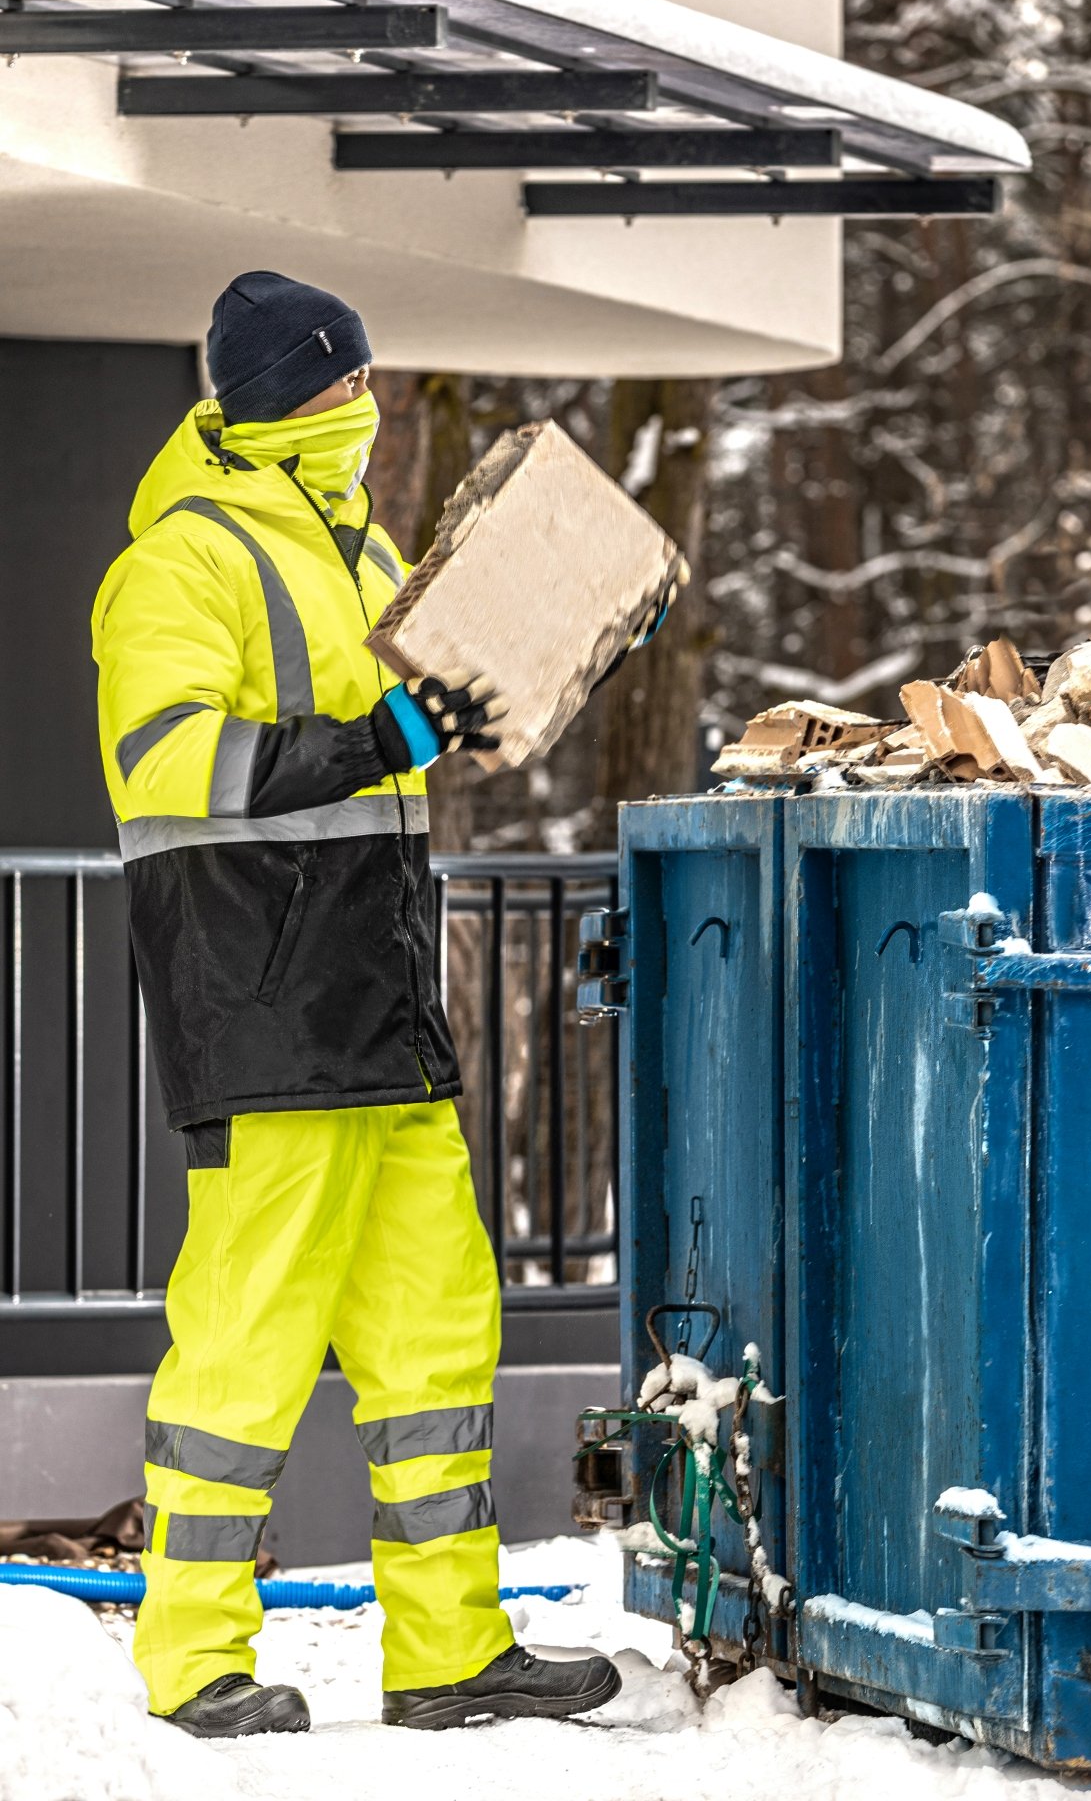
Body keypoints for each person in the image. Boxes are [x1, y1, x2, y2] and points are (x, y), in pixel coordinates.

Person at [91, 272, 666, 1739]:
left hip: (380, 1006)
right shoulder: (180, 563)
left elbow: (383, 748)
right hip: (266, 1007)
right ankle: (196, 1661)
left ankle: (450, 1649)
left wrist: (512, 670)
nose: (365, 403)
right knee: (247, 1339)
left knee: (436, 1338)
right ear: (284, 397)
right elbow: (173, 764)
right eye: (343, 384)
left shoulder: (362, 555)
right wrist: (385, 731)